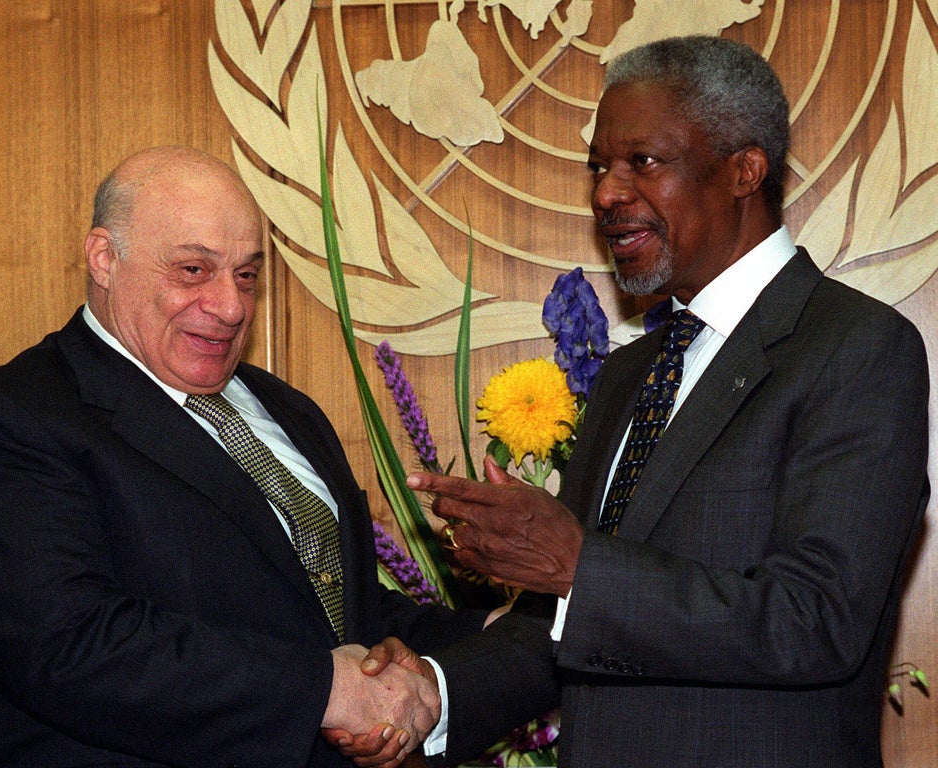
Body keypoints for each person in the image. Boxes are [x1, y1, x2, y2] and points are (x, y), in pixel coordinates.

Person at [343, 35, 931, 767]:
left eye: (642, 162)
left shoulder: (857, 348)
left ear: (744, 169)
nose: (606, 194)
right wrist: (432, 694)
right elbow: (566, 623)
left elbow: (814, 622)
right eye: (599, 167)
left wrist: (577, 566)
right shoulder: (630, 375)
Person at [0, 146, 487, 768]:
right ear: (105, 259)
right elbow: (69, 646)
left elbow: (341, 615)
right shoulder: (3, 421)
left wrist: (503, 639)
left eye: (246, 275)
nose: (232, 306)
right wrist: (322, 690)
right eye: (194, 270)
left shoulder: (290, 412)